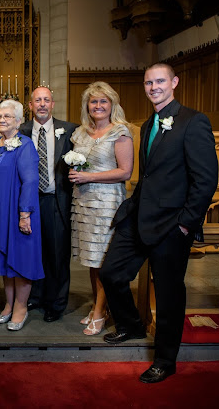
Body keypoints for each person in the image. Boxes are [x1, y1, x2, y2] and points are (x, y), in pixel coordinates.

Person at [99, 63, 218, 383]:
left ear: (174, 82)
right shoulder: (149, 123)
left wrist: (186, 223)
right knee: (111, 273)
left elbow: (206, 180)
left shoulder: (193, 121)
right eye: (148, 83)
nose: (154, 87)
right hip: (139, 215)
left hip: (171, 224)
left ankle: (165, 359)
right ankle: (132, 325)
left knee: (168, 294)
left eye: (160, 81)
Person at [68, 82, 134, 336]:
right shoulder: (81, 133)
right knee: (92, 260)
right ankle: (99, 306)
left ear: (112, 104)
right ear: (87, 106)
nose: (98, 106)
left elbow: (125, 172)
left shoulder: (120, 132)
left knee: (104, 260)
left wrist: (89, 177)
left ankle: (100, 313)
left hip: (107, 203)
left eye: (103, 101)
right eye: (93, 101)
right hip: (83, 202)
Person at [0, 99, 44, 331]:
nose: (2, 119)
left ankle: (21, 307)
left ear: (19, 121)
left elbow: (30, 181)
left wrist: (25, 214)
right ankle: (8, 304)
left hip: (19, 211)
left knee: (20, 260)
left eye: (7, 116)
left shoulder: (25, 145)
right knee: (4, 259)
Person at [20, 86, 76, 322]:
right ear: (30, 105)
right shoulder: (21, 131)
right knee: (33, 251)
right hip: (30, 202)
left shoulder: (70, 130)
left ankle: (56, 302)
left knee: (57, 254)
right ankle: (36, 296)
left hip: (56, 200)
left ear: (53, 104)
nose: (42, 104)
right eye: (37, 100)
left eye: (46, 100)